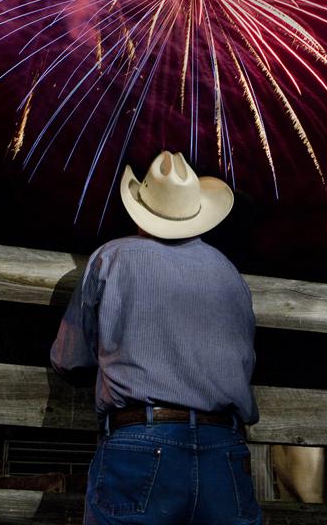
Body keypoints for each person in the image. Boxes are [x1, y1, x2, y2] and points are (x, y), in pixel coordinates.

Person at [51, 150, 262, 524]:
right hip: (225, 447)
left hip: (141, 442)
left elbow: (69, 360)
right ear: (197, 211)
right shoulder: (229, 273)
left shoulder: (111, 259)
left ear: (140, 209)